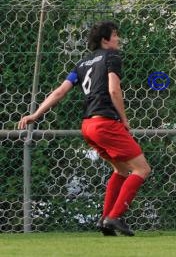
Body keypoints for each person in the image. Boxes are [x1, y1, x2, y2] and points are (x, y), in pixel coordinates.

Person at [18, 21, 151, 236]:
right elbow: (113, 89)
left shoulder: (82, 63)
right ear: (105, 40)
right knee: (142, 169)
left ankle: (105, 221)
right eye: (116, 35)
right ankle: (115, 217)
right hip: (105, 122)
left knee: (121, 170)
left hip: (88, 126)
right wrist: (124, 120)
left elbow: (60, 91)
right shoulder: (112, 57)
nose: (118, 39)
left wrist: (36, 114)